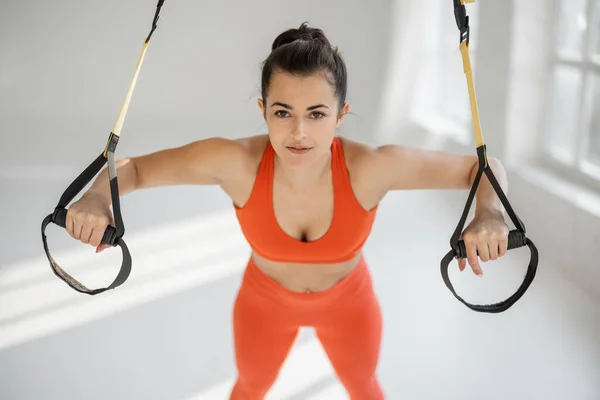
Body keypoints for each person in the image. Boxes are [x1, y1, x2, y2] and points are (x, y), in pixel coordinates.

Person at [65, 22, 510, 400]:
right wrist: (97, 198)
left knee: (363, 387)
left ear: (341, 115)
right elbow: (135, 168)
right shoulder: (237, 164)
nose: (298, 132)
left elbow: (483, 167)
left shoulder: (371, 168)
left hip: (348, 303)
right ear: (263, 111)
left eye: (316, 114)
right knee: (249, 389)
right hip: (264, 303)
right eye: (283, 112)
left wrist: (489, 214)